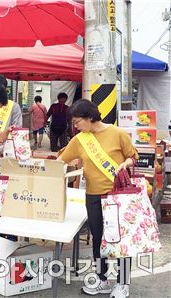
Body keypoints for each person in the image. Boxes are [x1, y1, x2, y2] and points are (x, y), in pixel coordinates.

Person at [58, 99, 138, 298]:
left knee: (119, 240)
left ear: (90, 117)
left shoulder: (118, 133)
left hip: (117, 196)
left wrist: (124, 164)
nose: (75, 126)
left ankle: (122, 282)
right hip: (93, 196)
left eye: (77, 122)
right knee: (98, 238)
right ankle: (102, 279)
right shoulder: (79, 139)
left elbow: (132, 156)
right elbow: (62, 160)